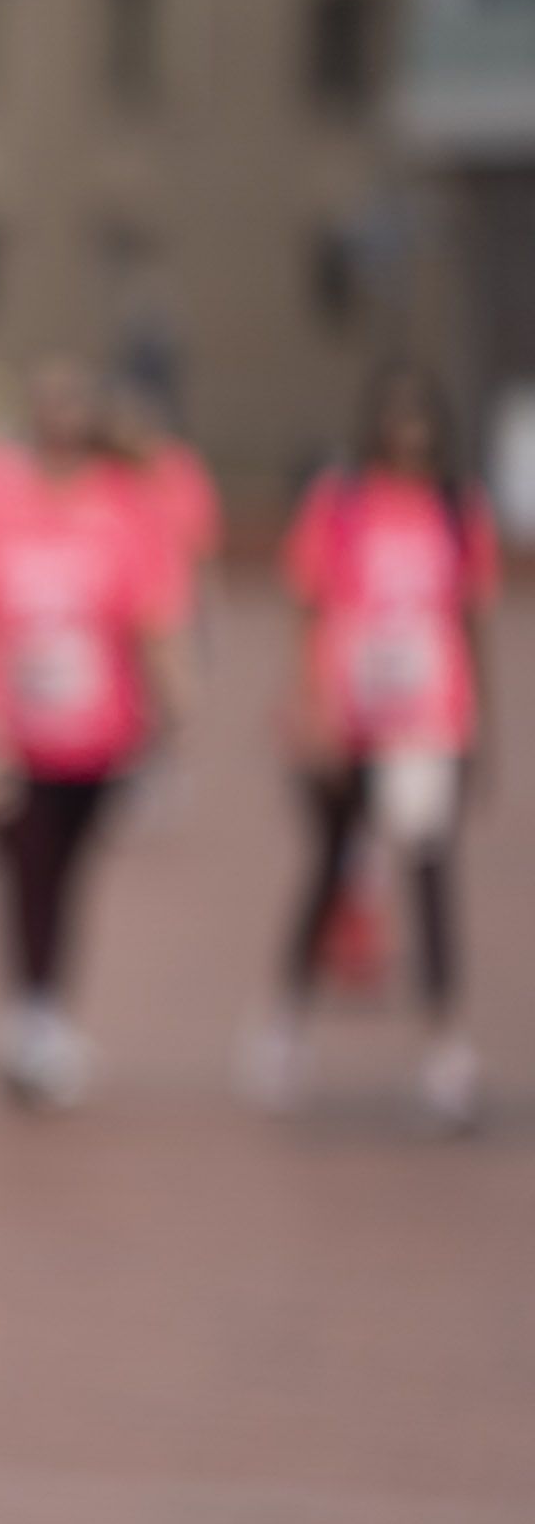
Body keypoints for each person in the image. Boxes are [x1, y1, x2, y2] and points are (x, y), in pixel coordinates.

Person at [242, 361, 498, 1130]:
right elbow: (307, 609)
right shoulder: (342, 506)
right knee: (329, 870)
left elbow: (474, 620)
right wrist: (309, 707)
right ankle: (285, 1023)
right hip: (348, 718)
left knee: (429, 874)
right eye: (397, 418)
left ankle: (445, 1045)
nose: (410, 433)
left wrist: (481, 725)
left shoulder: (457, 510)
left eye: (422, 419)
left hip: (429, 721)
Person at [0, 357, 197, 1108]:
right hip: (9, 736)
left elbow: (157, 624)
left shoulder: (126, 511)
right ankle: (31, 1019)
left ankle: (45, 1007)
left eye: (72, 405)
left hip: (97, 732)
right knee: (24, 868)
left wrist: (172, 721)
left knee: (68, 874)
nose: (60, 419)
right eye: (48, 404)